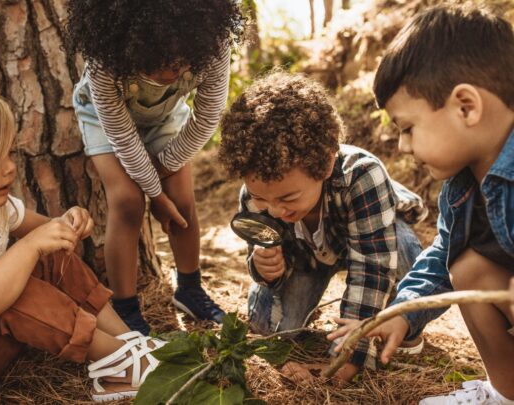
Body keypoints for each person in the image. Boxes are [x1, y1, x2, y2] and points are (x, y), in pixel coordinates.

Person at [0, 76, 164, 401]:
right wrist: (28, 246)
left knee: (47, 254)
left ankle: (129, 343)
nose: (9, 169)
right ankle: (120, 364)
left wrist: (68, 223)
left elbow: (50, 235)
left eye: (9, 153)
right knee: (14, 288)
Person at [337, 4, 514, 404]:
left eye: (408, 128)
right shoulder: (460, 189)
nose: (403, 146)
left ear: (466, 106)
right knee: (467, 267)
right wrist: (403, 311)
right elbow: (440, 258)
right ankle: (506, 393)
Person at [218, 71, 428, 383]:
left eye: (288, 196)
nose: (275, 209)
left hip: (369, 241)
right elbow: (258, 251)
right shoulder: (256, 193)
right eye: (263, 198)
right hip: (305, 260)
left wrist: (350, 353)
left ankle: (403, 322)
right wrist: (265, 269)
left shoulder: (362, 175)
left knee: (405, 250)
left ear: (326, 164)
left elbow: (371, 267)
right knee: (268, 327)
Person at [65, 0, 244, 334]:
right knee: (128, 201)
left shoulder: (214, 43)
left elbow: (206, 119)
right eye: (157, 63)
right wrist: (153, 195)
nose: (170, 73)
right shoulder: (105, 59)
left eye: (179, 63)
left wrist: (163, 178)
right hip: (104, 120)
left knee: (182, 199)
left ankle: (190, 290)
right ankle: (126, 308)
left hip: (164, 118)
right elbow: (120, 134)